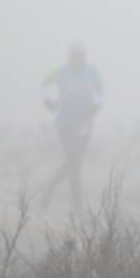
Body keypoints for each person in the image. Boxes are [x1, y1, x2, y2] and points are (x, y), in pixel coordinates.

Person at [40, 42, 104, 210]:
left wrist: (96, 106)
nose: (77, 60)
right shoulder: (60, 70)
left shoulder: (93, 72)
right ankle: (76, 205)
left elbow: (100, 91)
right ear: (69, 57)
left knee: (75, 162)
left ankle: (51, 188)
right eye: (74, 56)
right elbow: (45, 84)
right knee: (74, 161)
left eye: (80, 56)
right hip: (65, 123)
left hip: (84, 123)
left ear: (84, 57)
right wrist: (48, 101)